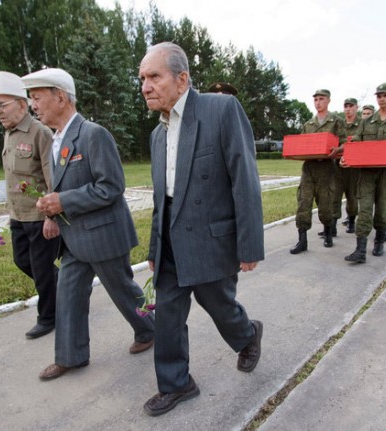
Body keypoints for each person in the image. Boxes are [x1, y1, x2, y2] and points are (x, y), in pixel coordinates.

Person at [139, 42, 264, 417]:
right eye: (142, 78)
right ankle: (177, 383)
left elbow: (245, 178)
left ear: (182, 79)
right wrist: (153, 248)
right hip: (172, 241)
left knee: (219, 305)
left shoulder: (220, 110)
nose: (145, 86)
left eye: (154, 77)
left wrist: (250, 245)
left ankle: (248, 335)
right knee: (169, 317)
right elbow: (163, 199)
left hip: (210, 236)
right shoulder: (157, 134)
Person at [20, 68, 155, 381]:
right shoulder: (56, 140)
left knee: (124, 291)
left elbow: (111, 186)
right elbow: (62, 187)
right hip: (74, 239)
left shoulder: (93, 134)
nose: (33, 105)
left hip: (104, 235)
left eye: (37, 98)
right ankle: (71, 356)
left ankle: (150, 329)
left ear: (61, 98)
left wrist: (63, 202)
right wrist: (52, 213)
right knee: (67, 296)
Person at [0, 71, 59, 340]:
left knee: (41, 269)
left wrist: (52, 215)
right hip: (18, 216)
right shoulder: (9, 134)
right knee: (22, 261)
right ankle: (64, 287)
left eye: (2, 105)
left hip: (40, 216)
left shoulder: (40, 132)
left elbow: (52, 177)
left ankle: (49, 316)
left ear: (22, 103)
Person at [342, 82, 386, 263]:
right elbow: (355, 143)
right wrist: (346, 157)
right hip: (366, 173)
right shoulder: (367, 122)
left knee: (383, 209)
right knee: (364, 209)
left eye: (385, 95)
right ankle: (360, 250)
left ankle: (379, 241)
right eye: (379, 96)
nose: (381, 99)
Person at [291, 89, 346, 252]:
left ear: (328, 101)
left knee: (326, 204)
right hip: (309, 168)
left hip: (327, 168)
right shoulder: (308, 124)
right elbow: (302, 144)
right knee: (303, 203)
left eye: (321, 99)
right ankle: (302, 240)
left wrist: (338, 149)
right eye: (315, 100)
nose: (318, 102)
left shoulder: (336, 121)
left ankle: (328, 233)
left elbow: (345, 143)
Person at [332, 97, 360, 234]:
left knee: (352, 196)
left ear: (356, 107)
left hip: (353, 168)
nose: (348, 109)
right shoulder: (338, 124)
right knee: (335, 195)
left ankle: (351, 220)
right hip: (337, 166)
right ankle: (332, 226)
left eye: (351, 106)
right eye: (346, 106)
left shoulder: (362, 125)